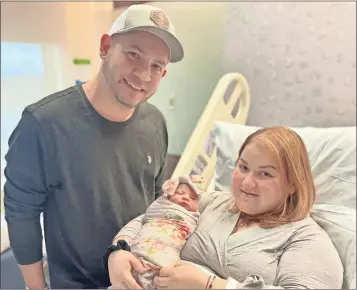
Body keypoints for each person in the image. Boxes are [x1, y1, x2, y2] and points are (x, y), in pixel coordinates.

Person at [3, 4, 184, 289]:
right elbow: (21, 213)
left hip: (139, 279)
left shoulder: (155, 123)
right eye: (133, 54)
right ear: (105, 47)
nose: (143, 75)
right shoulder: (43, 124)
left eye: (156, 65)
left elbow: (153, 199)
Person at [107, 126, 344, 289]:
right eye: (243, 167)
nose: (247, 183)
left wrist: (211, 286)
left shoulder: (305, 238)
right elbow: (151, 219)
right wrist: (118, 251)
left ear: (292, 184)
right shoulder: (213, 202)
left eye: (265, 174)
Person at [107, 176, 202, 289]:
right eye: (180, 193)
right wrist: (118, 249)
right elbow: (135, 225)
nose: (186, 198)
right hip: (136, 255)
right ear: (168, 195)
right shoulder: (157, 210)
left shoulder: (193, 220)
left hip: (165, 266)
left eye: (193, 198)